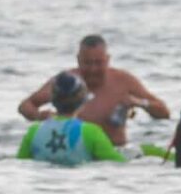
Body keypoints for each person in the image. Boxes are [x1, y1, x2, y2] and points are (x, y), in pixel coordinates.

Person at [18, 35, 168, 145]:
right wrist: (39, 115)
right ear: (78, 59)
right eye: (87, 63)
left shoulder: (123, 81)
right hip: (76, 151)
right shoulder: (67, 82)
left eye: (98, 63)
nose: (92, 69)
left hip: (113, 153)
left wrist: (140, 103)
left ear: (107, 59)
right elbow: (25, 105)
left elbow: (164, 113)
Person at [20, 71, 126, 165]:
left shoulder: (34, 131)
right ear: (83, 102)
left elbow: (20, 162)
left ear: (53, 100)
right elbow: (118, 164)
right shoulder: (91, 132)